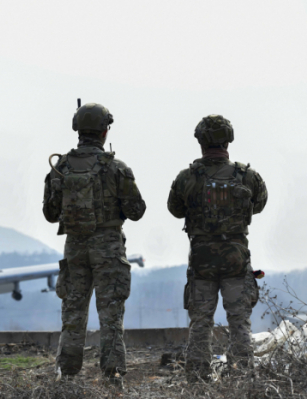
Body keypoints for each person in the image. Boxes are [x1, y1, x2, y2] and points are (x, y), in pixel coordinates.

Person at [43, 102, 146, 388]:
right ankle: (113, 378)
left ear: (77, 129)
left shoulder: (60, 167)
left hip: (74, 249)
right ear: (104, 131)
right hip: (109, 249)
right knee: (111, 315)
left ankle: (66, 378)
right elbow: (137, 211)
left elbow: (50, 214)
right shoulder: (116, 168)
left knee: (73, 315)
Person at [167, 114, 268, 382]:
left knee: (200, 321)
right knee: (239, 322)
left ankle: (198, 378)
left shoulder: (187, 177)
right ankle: (242, 376)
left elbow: (175, 210)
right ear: (229, 139)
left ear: (200, 141)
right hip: (236, 258)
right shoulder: (247, 176)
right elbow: (257, 206)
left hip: (202, 261)